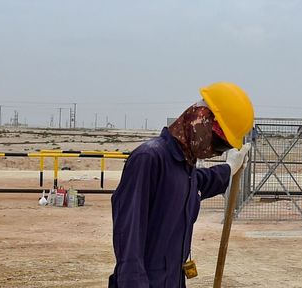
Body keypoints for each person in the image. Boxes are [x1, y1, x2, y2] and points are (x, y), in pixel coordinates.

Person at [109, 82, 254, 287]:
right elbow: (129, 240)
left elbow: (201, 183)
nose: (217, 151)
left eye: (224, 147)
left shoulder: (186, 169)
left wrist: (230, 168)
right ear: (200, 117)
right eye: (219, 142)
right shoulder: (149, 159)